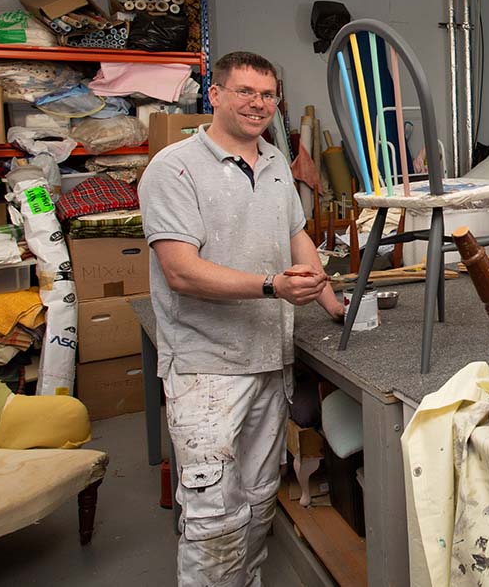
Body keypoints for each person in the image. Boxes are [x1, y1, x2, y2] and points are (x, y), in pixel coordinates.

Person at [139, 51, 344, 585]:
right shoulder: (174, 167)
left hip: (268, 362)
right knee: (212, 519)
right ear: (216, 94)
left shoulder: (275, 161)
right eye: (245, 92)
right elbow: (181, 271)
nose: (259, 104)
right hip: (207, 370)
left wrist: (330, 298)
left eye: (268, 94)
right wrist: (273, 286)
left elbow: (295, 234)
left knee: (257, 502)